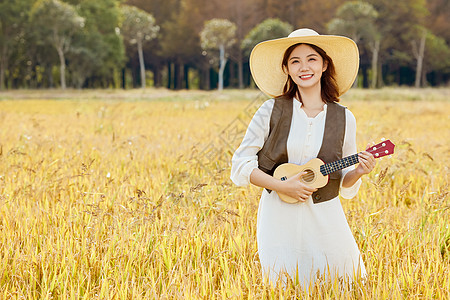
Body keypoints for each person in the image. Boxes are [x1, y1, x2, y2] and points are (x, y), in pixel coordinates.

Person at [230, 28, 376, 287]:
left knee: (345, 282)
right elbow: (241, 163)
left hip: (325, 215)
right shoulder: (270, 110)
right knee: (283, 284)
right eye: (295, 61)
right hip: (279, 214)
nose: (303, 67)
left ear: (324, 64)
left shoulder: (344, 117)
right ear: (286, 68)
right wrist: (282, 185)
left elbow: (343, 181)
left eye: (311, 59)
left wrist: (358, 172)